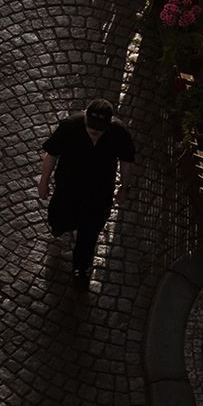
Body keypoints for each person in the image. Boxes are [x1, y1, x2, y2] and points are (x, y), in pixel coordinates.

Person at [38, 99, 137, 285]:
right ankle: (61, 225)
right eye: (92, 131)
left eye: (100, 132)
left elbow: (126, 161)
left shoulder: (119, 133)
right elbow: (52, 154)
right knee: (58, 219)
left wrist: (124, 188)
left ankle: (81, 268)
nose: (95, 136)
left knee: (89, 234)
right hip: (68, 189)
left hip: (99, 194)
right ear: (85, 120)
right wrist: (44, 181)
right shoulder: (69, 127)